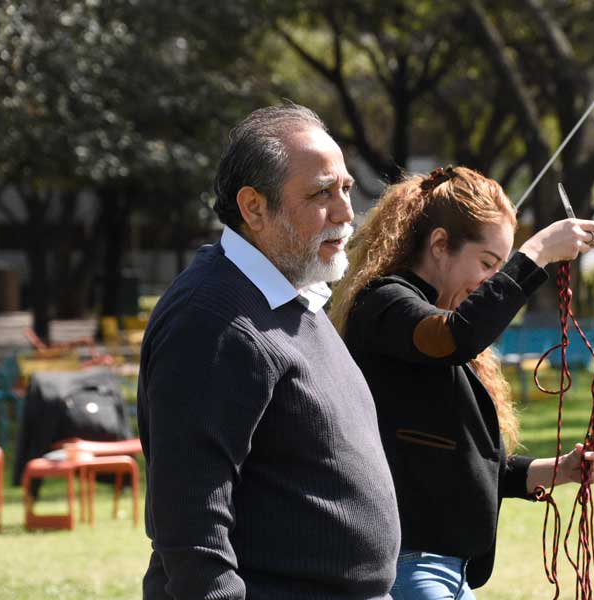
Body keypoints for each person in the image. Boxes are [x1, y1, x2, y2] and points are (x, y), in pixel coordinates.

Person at [137, 103, 400, 599]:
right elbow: (191, 527)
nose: (346, 212)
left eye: (345, 188)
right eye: (322, 193)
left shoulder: (295, 297)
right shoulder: (213, 319)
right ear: (254, 207)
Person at [330, 166, 594, 599]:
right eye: (488, 264)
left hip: (451, 572)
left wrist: (561, 470)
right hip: (410, 568)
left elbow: (475, 467)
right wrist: (536, 253)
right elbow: (454, 336)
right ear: (440, 244)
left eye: (500, 268)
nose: (491, 282)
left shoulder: (444, 334)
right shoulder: (385, 304)